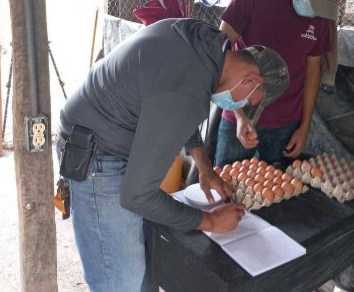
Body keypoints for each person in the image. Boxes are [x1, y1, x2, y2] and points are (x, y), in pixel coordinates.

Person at [55, 18, 289, 291]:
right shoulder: (189, 88)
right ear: (252, 79)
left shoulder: (206, 44)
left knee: (141, 264)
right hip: (96, 155)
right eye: (249, 101)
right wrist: (210, 221)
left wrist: (204, 166)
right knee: (119, 281)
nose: (242, 106)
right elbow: (137, 196)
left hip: (97, 132)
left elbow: (172, 105)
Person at [214, 0, 354, 167]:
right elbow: (219, 51)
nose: (316, 11)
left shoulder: (322, 18)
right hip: (240, 111)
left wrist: (305, 126)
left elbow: (313, 70)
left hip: (286, 121)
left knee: (280, 192)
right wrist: (240, 115)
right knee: (226, 187)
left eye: (323, 5)